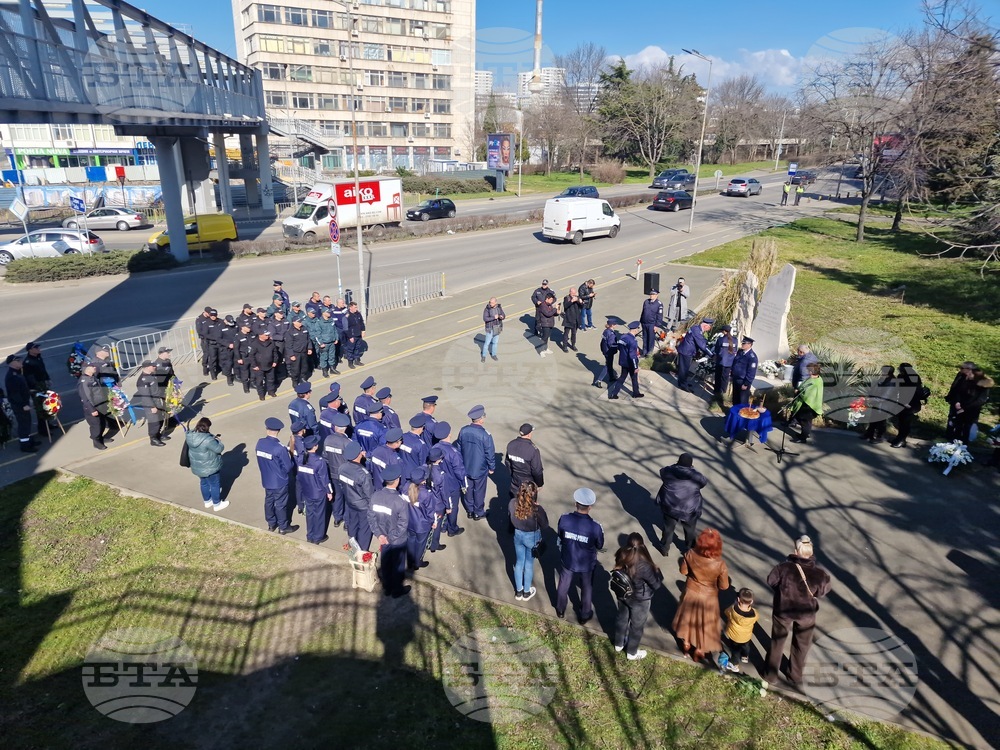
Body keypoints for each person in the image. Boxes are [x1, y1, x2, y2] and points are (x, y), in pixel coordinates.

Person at [764, 535, 832, 687]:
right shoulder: (821, 575)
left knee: (777, 642)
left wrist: (782, 591)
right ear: (810, 553)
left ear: (796, 551)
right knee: (801, 646)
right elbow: (823, 591)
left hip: (783, 611)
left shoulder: (783, 568)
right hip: (806, 615)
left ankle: (770, 675)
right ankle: (794, 676)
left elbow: (771, 581)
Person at [672, 528, 730, 663]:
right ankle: (699, 649)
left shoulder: (690, 554)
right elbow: (724, 586)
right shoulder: (720, 564)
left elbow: (683, 572)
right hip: (708, 597)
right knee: (705, 624)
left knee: (688, 618)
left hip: (691, 591)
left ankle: (686, 643)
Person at [555, 488, 605, 623]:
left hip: (568, 559)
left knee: (563, 584)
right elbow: (600, 545)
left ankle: (560, 609)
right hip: (586, 563)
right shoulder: (595, 527)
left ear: (575, 504)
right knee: (586, 587)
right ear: (590, 507)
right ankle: (584, 614)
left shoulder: (564, 519)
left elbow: (560, 535)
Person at [613, 533, 663, 661]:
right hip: (640, 600)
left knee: (622, 619)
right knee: (636, 626)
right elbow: (656, 585)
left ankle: (618, 644)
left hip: (623, 594)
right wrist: (657, 572)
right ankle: (632, 652)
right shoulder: (644, 565)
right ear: (642, 546)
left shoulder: (621, 554)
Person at [368, 464, 411, 598]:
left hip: (383, 538)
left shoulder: (375, 496)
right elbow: (403, 523)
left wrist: (379, 534)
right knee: (398, 566)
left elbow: (371, 517)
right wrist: (391, 537)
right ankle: (397, 590)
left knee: (386, 563)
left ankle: (387, 587)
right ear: (397, 480)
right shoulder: (400, 501)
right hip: (397, 540)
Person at [655, 453, 706, 554]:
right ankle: (690, 550)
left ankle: (664, 549)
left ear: (678, 461)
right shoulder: (696, 477)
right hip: (689, 509)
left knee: (668, 529)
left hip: (669, 506)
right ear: (691, 464)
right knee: (690, 530)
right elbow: (703, 483)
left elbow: (662, 471)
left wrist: (675, 466)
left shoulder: (668, 472)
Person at [256, 417, 298, 534]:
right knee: (280, 504)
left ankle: (271, 523)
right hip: (279, 481)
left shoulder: (260, 443)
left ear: (267, 429)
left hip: (267, 479)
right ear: (278, 431)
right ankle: (283, 527)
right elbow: (288, 466)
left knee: (269, 501)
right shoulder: (279, 448)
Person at [509, 481, 549, 601]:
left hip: (518, 535)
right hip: (531, 537)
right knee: (529, 564)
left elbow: (510, 517)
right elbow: (545, 525)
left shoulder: (512, 503)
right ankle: (527, 592)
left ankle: (519, 591)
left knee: (519, 562)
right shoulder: (537, 509)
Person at [456, 404, 494, 520]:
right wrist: (492, 467)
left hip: (466, 467)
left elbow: (459, 448)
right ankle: (478, 512)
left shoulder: (463, 431)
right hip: (480, 469)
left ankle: (469, 510)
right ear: (481, 419)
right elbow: (490, 453)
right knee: (479, 491)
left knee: (468, 489)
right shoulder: (485, 435)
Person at [297, 435, 333, 544]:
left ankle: (310, 535)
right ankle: (318, 537)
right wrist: (329, 492)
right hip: (318, 493)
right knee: (319, 514)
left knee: (310, 513)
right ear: (315, 447)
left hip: (307, 491)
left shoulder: (300, 459)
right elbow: (325, 479)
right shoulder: (319, 461)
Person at [339, 440, 375, 550]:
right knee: (364, 529)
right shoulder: (364, 474)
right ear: (359, 454)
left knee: (353, 525)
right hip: (363, 506)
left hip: (350, 502)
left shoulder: (342, 468)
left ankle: (352, 543)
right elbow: (369, 495)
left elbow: (342, 486)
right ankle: (362, 551)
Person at [186, 417, 227, 512]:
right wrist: (219, 441)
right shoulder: (208, 440)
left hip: (198, 467)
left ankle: (207, 501)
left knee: (204, 483)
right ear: (207, 428)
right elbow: (219, 449)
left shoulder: (190, 436)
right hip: (210, 466)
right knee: (215, 484)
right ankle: (217, 504)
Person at [945, 361, 993, 443]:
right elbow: (957, 390)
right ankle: (951, 441)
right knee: (956, 426)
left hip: (971, 409)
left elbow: (981, 400)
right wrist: (957, 402)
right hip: (959, 406)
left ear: (970, 370)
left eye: (962, 368)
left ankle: (964, 445)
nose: (960, 370)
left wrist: (965, 408)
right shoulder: (963, 377)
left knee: (967, 428)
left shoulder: (983, 382)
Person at [433, 421, 466, 537]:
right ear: (449, 434)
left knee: (442, 504)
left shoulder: (435, 448)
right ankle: (452, 528)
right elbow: (459, 470)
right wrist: (464, 484)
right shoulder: (453, 452)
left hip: (438, 483)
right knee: (452, 507)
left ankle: (443, 526)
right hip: (452, 485)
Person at [321, 411, 352, 528]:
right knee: (348, 498)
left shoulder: (328, 439)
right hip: (345, 475)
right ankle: (347, 522)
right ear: (345, 428)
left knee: (337, 496)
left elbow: (325, 456)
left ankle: (337, 518)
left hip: (333, 474)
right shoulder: (347, 442)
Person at [405, 466, 436, 571]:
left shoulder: (405, 488)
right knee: (420, 543)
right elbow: (430, 511)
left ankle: (409, 561)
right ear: (423, 480)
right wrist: (433, 522)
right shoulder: (426, 493)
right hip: (422, 525)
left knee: (410, 541)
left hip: (409, 522)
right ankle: (417, 562)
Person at [721, 587, 759, 671]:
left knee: (735, 651)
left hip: (734, 636)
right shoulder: (754, 614)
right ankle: (745, 656)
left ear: (738, 599)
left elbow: (726, 612)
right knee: (746, 647)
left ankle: (734, 664)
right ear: (751, 601)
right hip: (746, 636)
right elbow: (756, 619)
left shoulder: (733, 609)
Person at [4, 355, 35, 452]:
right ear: (12, 363)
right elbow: (14, 394)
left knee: (27, 422)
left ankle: (29, 440)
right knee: (23, 424)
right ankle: (25, 446)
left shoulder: (17, 373)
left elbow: (22, 388)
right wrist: (23, 405)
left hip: (24, 403)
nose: (20, 361)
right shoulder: (11, 376)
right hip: (20, 405)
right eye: (18, 360)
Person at [505, 423, 544, 499]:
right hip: (529, 484)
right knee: (529, 505)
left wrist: (513, 475)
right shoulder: (533, 450)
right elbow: (537, 470)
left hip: (515, 482)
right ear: (529, 434)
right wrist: (539, 484)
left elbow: (507, 462)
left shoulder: (511, 444)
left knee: (514, 503)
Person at [132, 360, 166, 447]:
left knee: (160, 419)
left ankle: (158, 435)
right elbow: (145, 395)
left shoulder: (151, 375)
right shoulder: (142, 381)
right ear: (147, 367)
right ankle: (153, 439)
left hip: (157, 400)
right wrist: (152, 406)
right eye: (153, 366)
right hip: (151, 404)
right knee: (154, 422)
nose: (155, 367)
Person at [78, 361, 110, 450]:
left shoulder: (92, 377)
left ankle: (101, 437)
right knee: (96, 425)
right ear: (87, 369)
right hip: (93, 407)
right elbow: (85, 398)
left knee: (102, 423)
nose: (95, 368)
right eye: (93, 367)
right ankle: (96, 441)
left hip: (100, 405)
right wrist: (92, 410)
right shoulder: (84, 382)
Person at [789, 363, 824, 444]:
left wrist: (797, 392)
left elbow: (806, 395)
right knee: (807, 422)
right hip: (814, 404)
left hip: (808, 405)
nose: (807, 371)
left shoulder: (812, 382)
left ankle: (803, 438)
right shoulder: (819, 379)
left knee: (805, 422)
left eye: (808, 370)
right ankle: (805, 434)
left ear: (811, 372)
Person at [608, 321, 643, 400]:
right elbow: (632, 355)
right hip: (630, 363)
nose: (638, 330)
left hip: (623, 361)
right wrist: (635, 367)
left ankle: (614, 393)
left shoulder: (623, 337)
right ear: (635, 329)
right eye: (638, 328)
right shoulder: (632, 341)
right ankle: (636, 393)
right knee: (634, 377)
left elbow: (620, 347)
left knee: (622, 377)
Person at [891, 363, 923, 448]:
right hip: (902, 401)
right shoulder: (901, 376)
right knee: (901, 421)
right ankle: (899, 437)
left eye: (900, 369)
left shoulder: (914, 377)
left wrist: (907, 403)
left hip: (911, 404)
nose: (899, 370)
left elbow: (916, 392)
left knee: (905, 422)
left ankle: (902, 439)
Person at [676, 318, 712, 392]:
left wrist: (706, 342)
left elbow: (701, 339)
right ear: (705, 326)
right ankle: (683, 385)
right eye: (709, 328)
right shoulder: (697, 331)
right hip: (686, 351)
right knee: (684, 369)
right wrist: (711, 354)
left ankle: (683, 382)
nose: (708, 330)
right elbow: (702, 344)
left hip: (686, 350)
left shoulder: (695, 328)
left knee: (684, 368)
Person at [284, 317, 313, 387]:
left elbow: (308, 339)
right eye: (299, 322)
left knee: (304, 367)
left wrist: (309, 348)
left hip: (304, 352)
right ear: (294, 322)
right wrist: (291, 355)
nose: (300, 323)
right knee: (295, 369)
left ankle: (303, 378)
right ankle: (295, 381)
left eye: (301, 321)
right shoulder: (290, 332)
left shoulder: (304, 329)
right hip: (295, 353)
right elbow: (288, 345)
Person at [249, 330, 278, 401]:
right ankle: (261, 394)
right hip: (259, 367)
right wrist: (254, 365)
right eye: (266, 335)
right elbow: (251, 356)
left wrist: (275, 361)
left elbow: (275, 353)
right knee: (259, 382)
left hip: (270, 365)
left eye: (268, 335)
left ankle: (271, 391)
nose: (268, 336)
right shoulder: (254, 344)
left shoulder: (271, 342)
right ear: (260, 335)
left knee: (271, 380)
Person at [399, 414, 429, 479]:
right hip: (413, 476)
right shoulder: (421, 444)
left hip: (400, 472)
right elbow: (422, 463)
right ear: (421, 428)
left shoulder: (402, 437)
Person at [713, 325, 737, 406]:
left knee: (718, 377)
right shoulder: (735, 340)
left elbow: (716, 350)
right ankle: (723, 392)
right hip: (730, 363)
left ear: (724, 331)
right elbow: (735, 350)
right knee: (725, 378)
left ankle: (716, 393)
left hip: (721, 362)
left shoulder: (721, 339)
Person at [731, 337, 758, 406]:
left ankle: (741, 416)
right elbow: (735, 362)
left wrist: (746, 383)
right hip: (736, 378)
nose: (742, 345)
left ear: (750, 345)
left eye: (744, 343)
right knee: (735, 399)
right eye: (742, 343)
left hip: (743, 381)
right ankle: (735, 415)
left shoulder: (752, 357)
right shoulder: (740, 352)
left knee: (742, 401)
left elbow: (751, 372)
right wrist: (732, 373)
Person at [639, 289, 664, 356]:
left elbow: (659, 316)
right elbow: (643, 312)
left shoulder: (659, 304)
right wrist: (641, 321)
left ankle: (649, 353)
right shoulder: (646, 302)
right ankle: (644, 352)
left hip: (652, 324)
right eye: (650, 294)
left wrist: (657, 325)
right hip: (644, 323)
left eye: (653, 294)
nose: (651, 296)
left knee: (650, 339)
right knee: (645, 338)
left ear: (656, 295)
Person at [595, 318, 619, 387]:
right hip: (609, 351)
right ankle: (599, 380)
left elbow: (603, 342)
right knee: (607, 365)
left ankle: (611, 377)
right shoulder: (611, 333)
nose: (616, 325)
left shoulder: (605, 331)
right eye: (615, 324)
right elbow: (611, 344)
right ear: (612, 325)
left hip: (605, 350)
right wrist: (619, 345)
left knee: (609, 364)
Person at [481, 297, 505, 363]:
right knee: (487, 343)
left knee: (495, 343)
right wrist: (494, 317)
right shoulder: (487, 309)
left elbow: (503, 315)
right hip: (490, 328)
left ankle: (494, 355)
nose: (490, 303)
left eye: (492, 302)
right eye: (490, 302)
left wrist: (501, 317)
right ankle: (483, 356)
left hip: (497, 327)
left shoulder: (499, 308)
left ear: (495, 303)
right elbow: (485, 318)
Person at [343, 301, 366, 368]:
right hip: (352, 335)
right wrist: (350, 337)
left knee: (357, 348)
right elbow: (346, 328)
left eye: (356, 307)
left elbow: (361, 322)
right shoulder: (347, 316)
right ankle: (350, 362)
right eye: (355, 307)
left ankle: (357, 360)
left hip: (358, 334)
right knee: (350, 349)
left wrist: (363, 330)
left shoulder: (358, 314)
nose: (356, 308)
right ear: (350, 307)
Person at [216, 315, 238, 386]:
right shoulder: (220, 327)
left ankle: (237, 376)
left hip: (236, 347)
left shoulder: (235, 324)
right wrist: (228, 344)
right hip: (226, 349)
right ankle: (229, 378)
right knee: (228, 364)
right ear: (225, 321)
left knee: (236, 363)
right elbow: (218, 339)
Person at [536, 292, 559, 356]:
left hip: (550, 323)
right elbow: (548, 314)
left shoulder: (549, 305)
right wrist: (555, 309)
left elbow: (552, 313)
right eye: (551, 300)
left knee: (547, 337)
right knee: (544, 337)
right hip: (545, 324)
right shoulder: (543, 305)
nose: (552, 301)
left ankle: (545, 348)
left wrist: (557, 313)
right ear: (547, 299)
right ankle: (541, 350)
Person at [561, 288, 583, 352]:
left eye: (575, 293)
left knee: (574, 333)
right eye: (573, 293)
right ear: (570, 292)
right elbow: (565, 306)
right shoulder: (566, 298)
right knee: (566, 333)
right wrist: (572, 301)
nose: (574, 294)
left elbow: (581, 307)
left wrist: (581, 302)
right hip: (568, 319)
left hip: (576, 319)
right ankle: (564, 346)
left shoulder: (577, 297)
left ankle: (573, 345)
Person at [195, 306, 213, 375]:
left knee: (213, 354)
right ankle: (205, 368)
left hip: (211, 339)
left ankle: (213, 367)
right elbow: (199, 331)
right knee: (206, 354)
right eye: (209, 313)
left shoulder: (210, 318)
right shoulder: (199, 319)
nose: (210, 315)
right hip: (205, 340)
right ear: (205, 312)